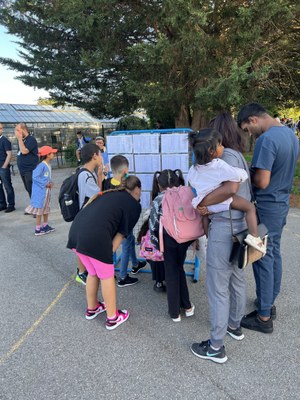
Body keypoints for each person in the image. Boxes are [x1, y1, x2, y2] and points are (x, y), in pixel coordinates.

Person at [190, 112, 251, 364]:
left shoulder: (219, 160)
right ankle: (234, 325)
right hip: (241, 226)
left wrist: (202, 204)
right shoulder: (236, 156)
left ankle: (216, 346)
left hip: (224, 226)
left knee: (217, 287)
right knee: (237, 277)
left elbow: (229, 189)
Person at [237, 103, 299, 334]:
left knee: (261, 255)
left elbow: (262, 181)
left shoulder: (267, 140)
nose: (249, 134)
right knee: (274, 252)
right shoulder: (290, 135)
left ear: (253, 120)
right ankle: (268, 302)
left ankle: (263, 317)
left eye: (247, 129)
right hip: (281, 202)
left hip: (266, 203)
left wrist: (243, 175)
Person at [67, 176, 142, 330]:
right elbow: (121, 234)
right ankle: (113, 317)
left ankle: (92, 307)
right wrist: (107, 256)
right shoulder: (133, 205)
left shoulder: (109, 193)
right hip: (94, 239)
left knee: (93, 272)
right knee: (107, 276)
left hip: (76, 235)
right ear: (137, 190)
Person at [188, 129, 266, 254]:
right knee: (250, 208)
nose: (223, 147)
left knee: (205, 218)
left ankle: (209, 239)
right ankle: (255, 238)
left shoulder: (193, 169)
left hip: (203, 204)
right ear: (211, 151)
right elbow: (238, 175)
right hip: (222, 201)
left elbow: (192, 182)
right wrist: (243, 172)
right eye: (219, 145)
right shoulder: (219, 165)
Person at [149, 169, 195, 321]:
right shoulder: (185, 194)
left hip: (168, 240)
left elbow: (153, 225)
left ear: (159, 184)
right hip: (184, 239)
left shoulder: (158, 199)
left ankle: (174, 312)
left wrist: (157, 247)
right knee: (179, 268)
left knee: (171, 272)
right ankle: (187, 306)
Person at [103, 155, 146, 287]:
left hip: (111, 222)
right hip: (123, 223)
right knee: (126, 246)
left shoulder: (106, 182)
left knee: (130, 240)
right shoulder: (126, 186)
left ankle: (135, 264)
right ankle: (122, 277)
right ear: (125, 171)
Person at [75, 143, 104, 285]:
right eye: (100, 154)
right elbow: (98, 196)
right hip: (85, 216)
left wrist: (99, 175)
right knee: (82, 246)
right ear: (94, 156)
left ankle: (84, 270)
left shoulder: (87, 172)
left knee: (83, 245)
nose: (101, 157)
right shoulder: (86, 175)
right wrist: (100, 177)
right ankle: (81, 273)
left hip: (84, 216)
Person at [25, 146, 57, 235]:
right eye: (52, 153)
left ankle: (45, 226)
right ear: (47, 155)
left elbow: (47, 177)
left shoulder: (47, 164)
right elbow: (35, 177)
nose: (53, 154)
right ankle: (38, 229)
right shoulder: (41, 165)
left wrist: (51, 182)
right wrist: (45, 183)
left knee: (46, 208)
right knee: (40, 210)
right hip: (41, 192)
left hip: (46, 191)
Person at [137, 210, 166, 292]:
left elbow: (140, 239)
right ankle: (165, 279)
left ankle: (158, 282)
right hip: (161, 255)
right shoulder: (163, 226)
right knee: (163, 264)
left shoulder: (146, 226)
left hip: (149, 254)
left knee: (155, 265)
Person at [15, 123, 39, 203]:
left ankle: (37, 208)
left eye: (18, 130)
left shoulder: (31, 139)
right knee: (28, 188)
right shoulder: (22, 140)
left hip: (30, 169)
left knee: (32, 188)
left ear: (23, 129)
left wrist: (19, 139)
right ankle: (33, 206)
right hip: (23, 170)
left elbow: (24, 151)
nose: (16, 133)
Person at [0, 123, 15, 213]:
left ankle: (11, 205)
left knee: (7, 186)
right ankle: (2, 204)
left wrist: (4, 166)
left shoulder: (5, 140)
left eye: (1, 128)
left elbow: (9, 154)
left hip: (3, 168)